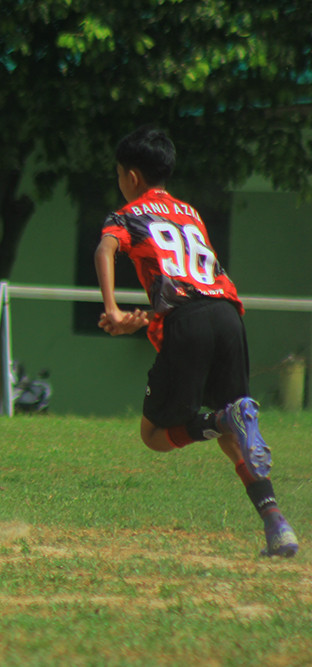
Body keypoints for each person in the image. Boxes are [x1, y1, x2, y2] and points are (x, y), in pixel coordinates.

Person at [94, 125, 298, 558]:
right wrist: (143, 321)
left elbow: (105, 249)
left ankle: (220, 420)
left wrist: (112, 310)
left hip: (188, 322)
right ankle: (277, 524)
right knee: (236, 432)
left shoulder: (127, 214)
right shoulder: (189, 212)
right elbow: (192, 284)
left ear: (130, 177)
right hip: (228, 315)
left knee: (154, 434)